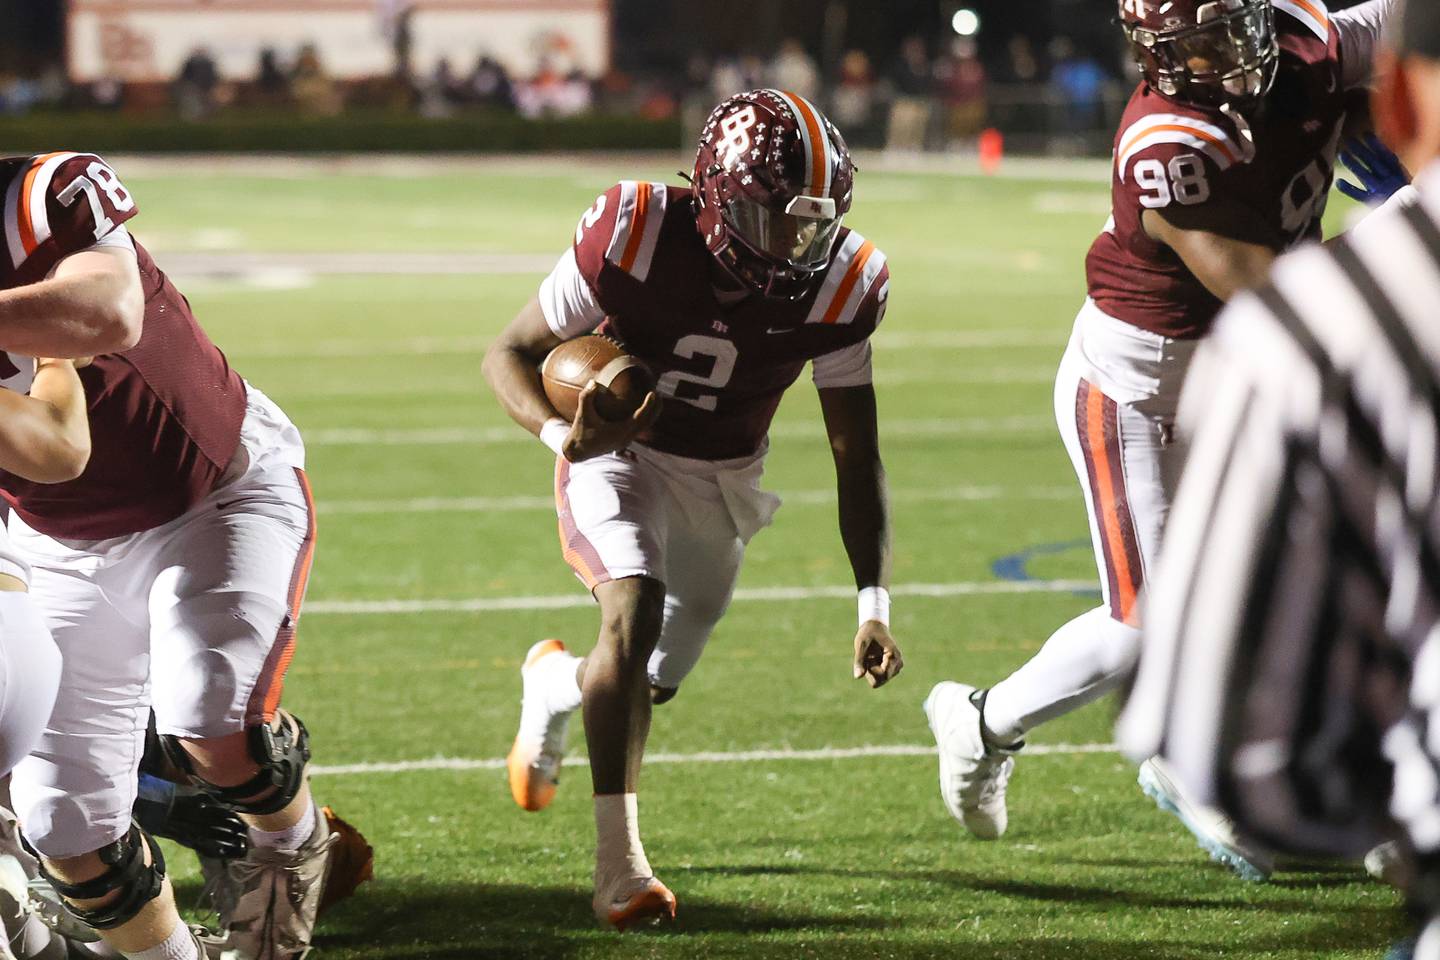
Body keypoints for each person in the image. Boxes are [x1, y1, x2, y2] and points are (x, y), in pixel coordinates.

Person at [924, 0, 1398, 880]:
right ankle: (1005, 725)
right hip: (1140, 387)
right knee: (1157, 623)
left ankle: (1345, 780)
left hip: (1245, 372)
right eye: (1204, 44)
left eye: (1239, 30)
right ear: (1156, 55)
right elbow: (1271, 288)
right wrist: (1407, 233)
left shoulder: (1310, 37)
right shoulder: (1169, 138)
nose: (1233, 57)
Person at [483, 89, 902, 929]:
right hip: (617, 453)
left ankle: (554, 686)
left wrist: (874, 603)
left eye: (809, 221)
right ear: (713, 197)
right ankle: (620, 868)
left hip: (724, 476)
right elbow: (511, 352)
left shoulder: (845, 285)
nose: (792, 243)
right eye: (769, 217)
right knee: (628, 616)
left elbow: (855, 453)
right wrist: (562, 436)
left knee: (654, 678)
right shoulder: (636, 231)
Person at [1119, 0, 1440, 953]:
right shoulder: (1169, 139)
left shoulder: (1332, 334)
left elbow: (1245, 761)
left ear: (1400, 108)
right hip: (1142, 367)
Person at [0, 151, 368, 960]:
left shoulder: (36, 196)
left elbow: (109, 313)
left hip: (212, 489)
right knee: (62, 821)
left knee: (211, 717)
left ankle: (292, 839)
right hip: (53, 542)